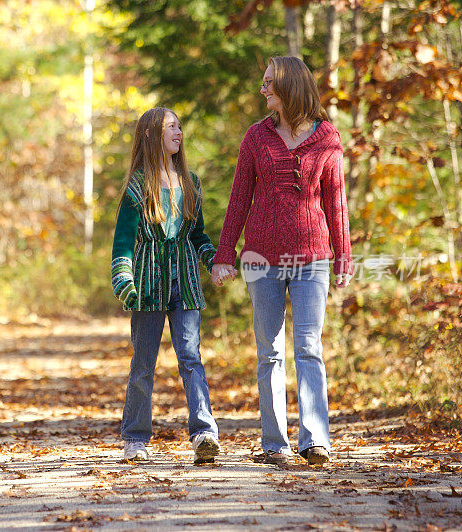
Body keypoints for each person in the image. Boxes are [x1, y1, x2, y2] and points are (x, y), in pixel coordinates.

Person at [211, 56, 353, 466]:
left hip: (313, 259)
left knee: (309, 347)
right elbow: (239, 198)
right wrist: (225, 254)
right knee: (269, 351)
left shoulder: (327, 137)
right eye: (263, 82)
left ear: (290, 85)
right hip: (261, 260)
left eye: (269, 82)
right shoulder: (256, 137)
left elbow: (336, 202)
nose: (263, 89)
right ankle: (274, 444)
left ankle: (315, 441)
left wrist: (343, 255)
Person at [111, 107, 226, 464]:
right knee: (144, 363)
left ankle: (204, 433)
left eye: (179, 126)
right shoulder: (138, 187)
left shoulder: (189, 182)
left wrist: (216, 261)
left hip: (186, 284)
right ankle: (135, 439)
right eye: (170, 126)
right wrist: (125, 282)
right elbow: (123, 243)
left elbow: (198, 235)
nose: (178, 131)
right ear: (152, 135)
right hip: (148, 286)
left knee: (191, 358)